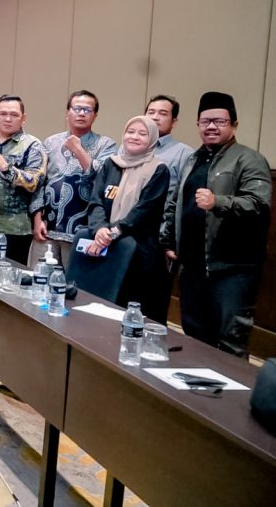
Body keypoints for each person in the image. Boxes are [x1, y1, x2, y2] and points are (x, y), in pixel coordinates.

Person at [162, 92, 271, 359]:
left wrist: (218, 202)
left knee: (231, 339)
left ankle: (232, 388)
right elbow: (176, 202)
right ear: (198, 124)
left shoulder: (249, 159)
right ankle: (197, 383)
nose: (211, 126)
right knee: (195, 335)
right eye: (205, 121)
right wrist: (169, 241)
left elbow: (259, 204)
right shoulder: (193, 159)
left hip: (232, 268)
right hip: (193, 266)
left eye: (219, 121)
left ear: (234, 124)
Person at [83, 116, 170, 322]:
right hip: (107, 248)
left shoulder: (159, 169)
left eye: (142, 133)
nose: (134, 137)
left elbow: (144, 210)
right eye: (130, 132)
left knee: (133, 315)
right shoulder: (111, 164)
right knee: (102, 310)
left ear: (152, 139)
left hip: (140, 254)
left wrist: (112, 233)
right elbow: (96, 201)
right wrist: (100, 229)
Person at [33, 90, 116, 266]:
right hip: (47, 228)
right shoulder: (51, 142)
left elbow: (102, 178)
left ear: (95, 115)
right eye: (77, 108)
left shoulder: (106, 144)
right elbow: (40, 182)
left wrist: (78, 150)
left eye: (87, 110)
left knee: (74, 281)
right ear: (67, 112)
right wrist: (37, 218)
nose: (81, 113)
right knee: (38, 275)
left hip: (83, 230)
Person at [0, 94, 46, 264]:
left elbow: (35, 183)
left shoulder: (32, 145)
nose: (7, 119)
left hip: (14, 228)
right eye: (3, 114)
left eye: (14, 115)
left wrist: (7, 169)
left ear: (23, 118)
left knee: (9, 276)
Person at [145, 94, 194, 201]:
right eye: (151, 112)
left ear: (174, 122)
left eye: (163, 113)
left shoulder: (185, 153)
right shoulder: (127, 147)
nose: (154, 117)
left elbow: (186, 195)